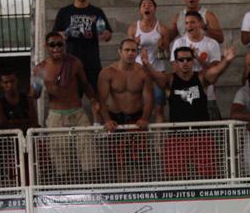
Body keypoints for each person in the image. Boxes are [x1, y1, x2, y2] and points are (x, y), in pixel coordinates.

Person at [142, 46, 235, 179]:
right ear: (175, 63)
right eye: (181, 60)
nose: (185, 62)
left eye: (188, 59)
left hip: (202, 135)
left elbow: (216, 71)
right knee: (175, 177)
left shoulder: (201, 78)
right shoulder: (169, 80)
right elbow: (154, 75)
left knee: (207, 175)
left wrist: (227, 60)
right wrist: (146, 63)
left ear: (193, 61)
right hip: (177, 136)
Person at [36, 32, 98, 182]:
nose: (56, 48)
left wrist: (94, 101)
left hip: (78, 112)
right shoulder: (41, 68)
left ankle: (92, 191)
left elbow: (85, 84)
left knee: (88, 153)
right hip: (56, 115)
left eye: (59, 44)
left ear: (64, 46)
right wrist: (36, 82)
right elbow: (35, 93)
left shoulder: (74, 62)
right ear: (46, 47)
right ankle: (66, 192)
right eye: (52, 45)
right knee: (60, 158)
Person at [98, 39, 153, 183]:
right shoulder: (107, 72)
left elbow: (148, 99)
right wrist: (107, 120)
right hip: (116, 118)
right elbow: (102, 101)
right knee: (119, 162)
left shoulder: (143, 73)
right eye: (127, 50)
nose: (130, 53)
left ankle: (137, 192)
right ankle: (122, 192)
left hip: (137, 117)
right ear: (119, 52)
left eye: (133, 50)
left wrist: (145, 118)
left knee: (137, 162)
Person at [52, 0, 113, 94]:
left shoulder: (97, 12)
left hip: (92, 62)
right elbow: (54, 36)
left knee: (97, 96)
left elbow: (107, 35)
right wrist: (60, 35)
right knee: (73, 98)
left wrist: (106, 35)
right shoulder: (64, 12)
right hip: (71, 62)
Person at [170, 11, 223, 120]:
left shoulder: (212, 43)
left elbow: (215, 70)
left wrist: (197, 58)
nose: (189, 25)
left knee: (211, 130)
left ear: (200, 23)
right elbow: (175, 68)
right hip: (184, 94)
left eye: (192, 22)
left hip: (207, 94)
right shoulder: (179, 43)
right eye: (186, 23)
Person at [127, 0, 170, 123]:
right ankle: (140, 140)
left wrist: (162, 46)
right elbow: (126, 53)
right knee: (138, 108)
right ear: (140, 10)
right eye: (144, 5)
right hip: (138, 73)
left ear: (155, 9)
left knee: (158, 109)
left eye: (150, 5)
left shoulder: (162, 29)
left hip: (157, 72)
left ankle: (159, 142)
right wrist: (134, 44)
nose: (147, 7)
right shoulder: (133, 28)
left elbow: (167, 55)